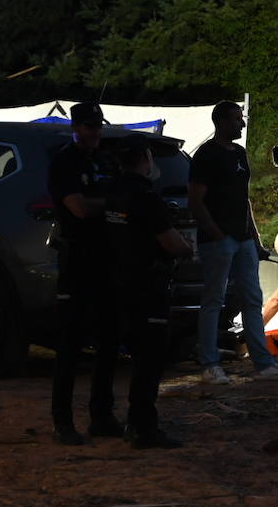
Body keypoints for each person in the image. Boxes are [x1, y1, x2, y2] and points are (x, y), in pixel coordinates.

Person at [189, 100, 278, 384]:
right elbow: (195, 200)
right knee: (213, 300)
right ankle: (210, 365)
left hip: (242, 241)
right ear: (222, 122)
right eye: (237, 119)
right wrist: (214, 232)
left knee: (252, 299)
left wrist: (254, 238)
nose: (242, 123)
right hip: (219, 240)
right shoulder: (206, 154)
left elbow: (243, 199)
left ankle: (263, 363)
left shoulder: (239, 152)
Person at [105, 134, 194, 449]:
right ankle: (143, 426)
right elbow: (169, 241)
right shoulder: (145, 196)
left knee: (133, 356)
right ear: (145, 159)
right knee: (150, 359)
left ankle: (129, 421)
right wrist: (186, 251)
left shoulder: (113, 193)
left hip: (118, 282)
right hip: (148, 284)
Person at [47, 102, 124, 445]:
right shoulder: (64, 161)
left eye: (98, 126)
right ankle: (62, 421)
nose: (95, 132)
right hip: (77, 259)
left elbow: (121, 200)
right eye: (89, 126)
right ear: (75, 127)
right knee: (71, 344)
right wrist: (108, 205)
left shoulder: (107, 159)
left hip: (108, 258)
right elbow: (76, 208)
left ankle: (102, 415)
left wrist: (106, 205)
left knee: (109, 341)